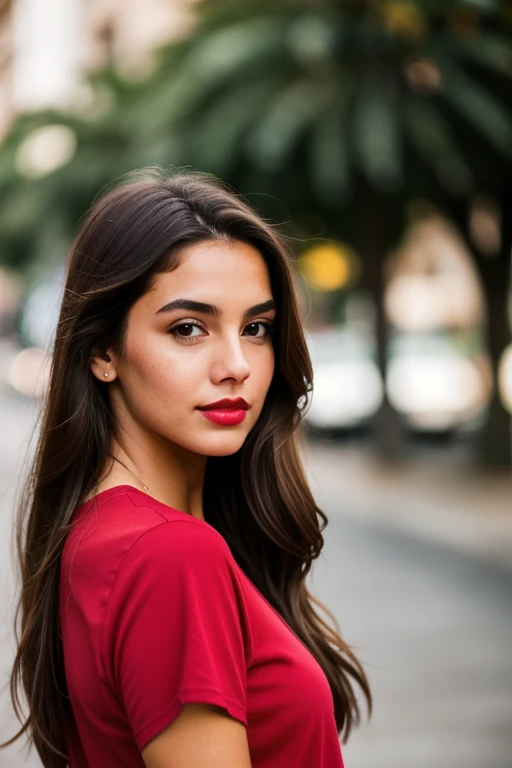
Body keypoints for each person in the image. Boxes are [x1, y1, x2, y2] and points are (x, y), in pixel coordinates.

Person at [2, 168, 371, 768]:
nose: (236, 366)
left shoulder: (102, 538)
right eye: (188, 328)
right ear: (103, 352)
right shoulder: (169, 555)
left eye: (256, 328)